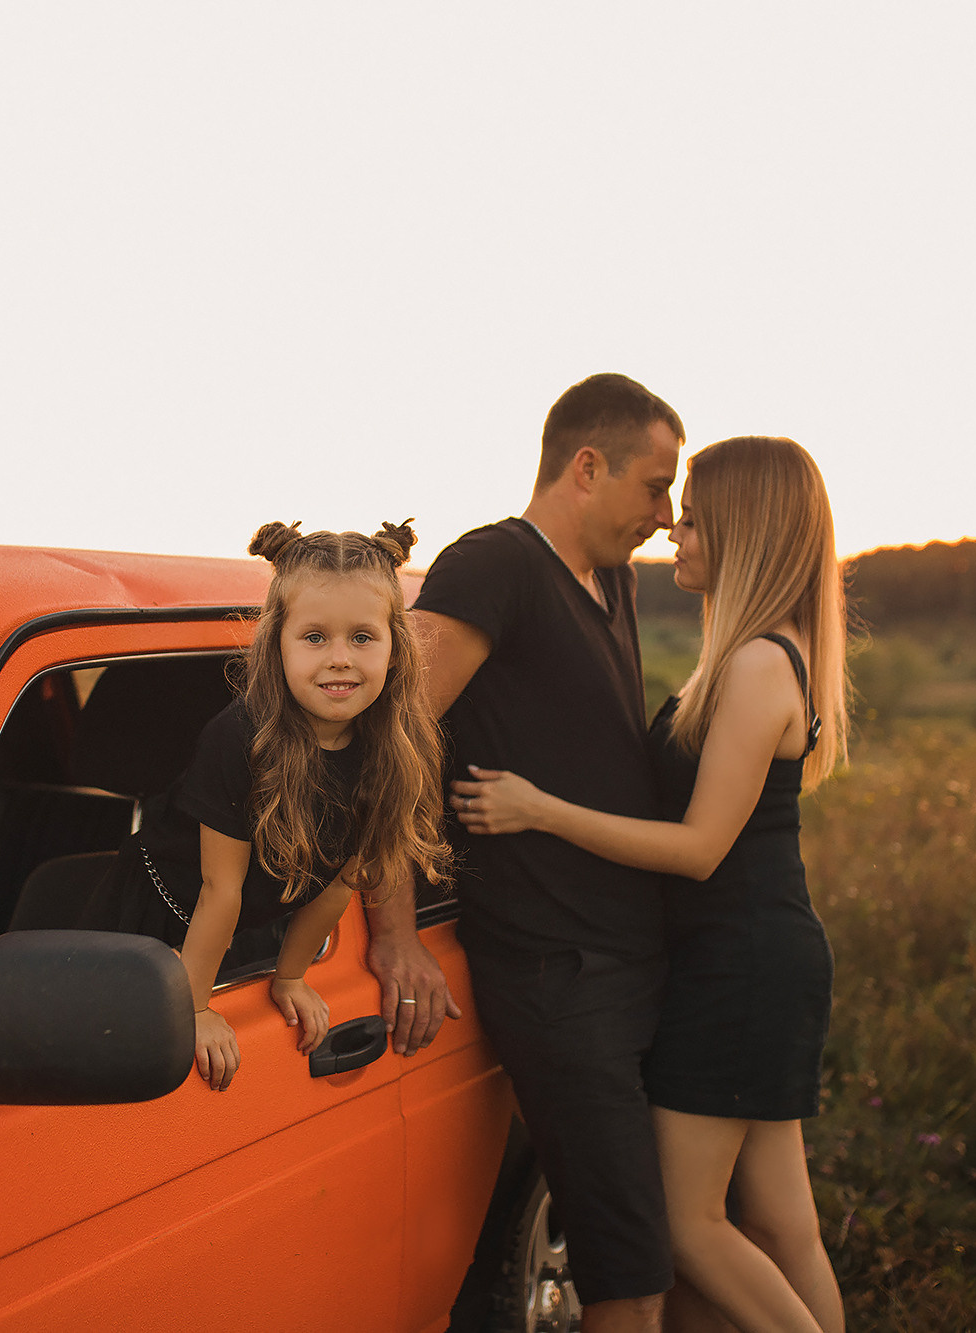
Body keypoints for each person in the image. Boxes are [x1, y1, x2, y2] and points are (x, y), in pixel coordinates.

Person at [454, 435, 849, 1333]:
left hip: (737, 967)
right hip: (758, 957)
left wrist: (538, 809)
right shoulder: (761, 652)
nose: (676, 529)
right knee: (784, 1226)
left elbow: (701, 848)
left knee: (685, 1224)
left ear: (747, 532)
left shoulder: (755, 666)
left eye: (699, 517)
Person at [410, 372, 687, 1333]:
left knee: (674, 1241)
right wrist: (392, 930)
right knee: (628, 1276)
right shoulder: (492, 566)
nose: (666, 513)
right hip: (556, 976)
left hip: (635, 960)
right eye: (655, 486)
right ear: (585, 465)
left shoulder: (614, 577)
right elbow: (381, 747)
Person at [76, 519, 453, 1091]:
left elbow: (339, 881)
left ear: (395, 646)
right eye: (314, 637)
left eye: (362, 637)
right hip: (156, 920)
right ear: (276, 642)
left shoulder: (394, 748)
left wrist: (291, 976)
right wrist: (195, 1007)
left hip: (246, 927)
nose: (340, 659)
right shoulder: (239, 738)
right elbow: (218, 890)